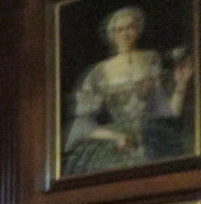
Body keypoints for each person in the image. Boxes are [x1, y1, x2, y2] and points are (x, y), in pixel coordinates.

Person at [63, 5, 195, 175]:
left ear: (138, 30)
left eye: (130, 28)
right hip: (114, 143)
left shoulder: (152, 59)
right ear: (111, 35)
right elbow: (83, 125)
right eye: (119, 30)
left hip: (154, 137)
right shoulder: (98, 72)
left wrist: (181, 83)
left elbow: (169, 112)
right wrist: (114, 137)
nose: (125, 34)